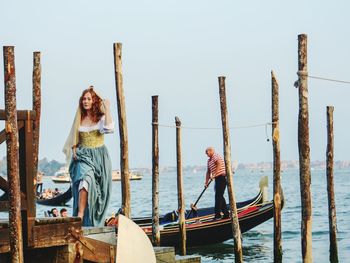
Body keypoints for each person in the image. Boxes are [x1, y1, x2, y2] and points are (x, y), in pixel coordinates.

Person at [63, 86, 114, 226]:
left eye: (89, 99)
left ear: (94, 101)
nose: (86, 101)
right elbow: (74, 136)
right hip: (83, 156)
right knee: (85, 179)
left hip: (99, 157)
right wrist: (74, 148)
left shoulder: (100, 117)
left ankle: (91, 219)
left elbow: (110, 129)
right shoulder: (79, 117)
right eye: (84, 99)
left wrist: (107, 108)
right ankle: (80, 214)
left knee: (99, 191)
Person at [204, 147, 230, 220]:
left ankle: (217, 215)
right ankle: (226, 214)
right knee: (220, 196)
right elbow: (208, 172)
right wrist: (206, 182)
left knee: (218, 197)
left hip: (222, 178)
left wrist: (214, 174)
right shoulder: (209, 161)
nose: (206, 154)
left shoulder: (216, 156)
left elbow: (218, 164)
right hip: (217, 179)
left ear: (211, 151)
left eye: (207, 152)